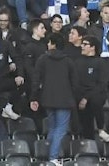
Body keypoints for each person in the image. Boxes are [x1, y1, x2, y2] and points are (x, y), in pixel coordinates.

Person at [29, 33, 76, 165]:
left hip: (47, 99)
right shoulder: (68, 61)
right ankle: (53, 158)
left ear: (53, 44)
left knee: (53, 128)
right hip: (65, 99)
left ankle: (47, 155)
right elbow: (74, 82)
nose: (48, 45)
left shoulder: (42, 59)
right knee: (60, 129)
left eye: (49, 42)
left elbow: (35, 80)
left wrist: (34, 97)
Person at [75, 36, 109, 143]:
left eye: (85, 44)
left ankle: (101, 129)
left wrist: (86, 98)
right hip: (81, 94)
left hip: (95, 94)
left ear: (92, 47)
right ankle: (89, 146)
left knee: (95, 100)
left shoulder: (100, 62)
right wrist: (82, 97)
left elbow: (102, 84)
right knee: (85, 122)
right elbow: (76, 82)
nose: (82, 46)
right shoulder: (78, 62)